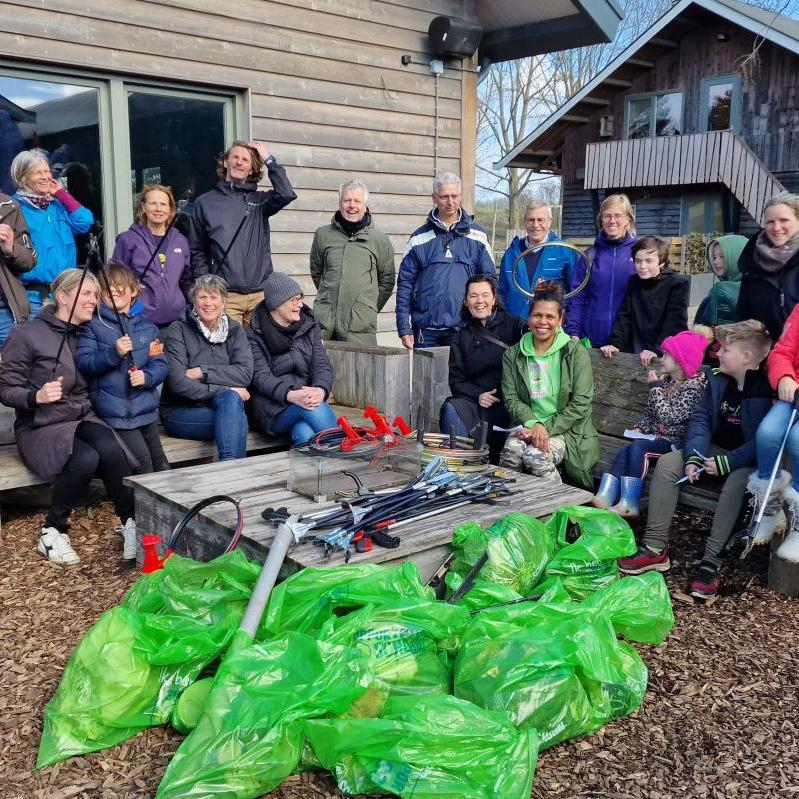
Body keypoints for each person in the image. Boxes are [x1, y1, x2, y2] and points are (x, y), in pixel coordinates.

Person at [618, 320, 773, 601]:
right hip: (713, 448)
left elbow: (764, 439)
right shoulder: (716, 380)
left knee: (738, 484)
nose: (718, 354)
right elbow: (700, 422)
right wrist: (693, 457)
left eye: (725, 350)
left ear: (747, 357)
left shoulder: (764, 390)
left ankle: (711, 562)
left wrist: (730, 462)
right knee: (668, 464)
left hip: (747, 460)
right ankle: (654, 548)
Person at [0, 269, 138, 565]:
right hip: (40, 424)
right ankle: (52, 531)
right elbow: (6, 386)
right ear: (63, 296)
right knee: (85, 458)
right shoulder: (27, 334)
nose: (94, 301)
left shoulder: (88, 333)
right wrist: (34, 397)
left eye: (95, 295)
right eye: (86, 294)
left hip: (81, 416)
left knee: (110, 447)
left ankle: (130, 521)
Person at [593, 330, 709, 516]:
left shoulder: (694, 387)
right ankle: (606, 494)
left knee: (640, 449)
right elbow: (652, 412)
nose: (661, 359)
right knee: (626, 449)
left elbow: (669, 417)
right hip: (656, 438)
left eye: (666, 356)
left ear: (681, 361)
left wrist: (654, 389)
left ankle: (629, 503)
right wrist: (642, 427)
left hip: (674, 444)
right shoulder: (669, 381)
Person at [499, 281, 599, 489]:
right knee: (511, 452)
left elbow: (581, 403)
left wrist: (545, 428)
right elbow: (511, 398)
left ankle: (562, 509)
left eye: (550, 316)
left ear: (561, 319)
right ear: (529, 317)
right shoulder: (513, 354)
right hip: (528, 425)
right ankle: (516, 509)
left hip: (566, 429)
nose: (542, 321)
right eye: (537, 315)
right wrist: (533, 424)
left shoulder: (574, 353)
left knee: (535, 456)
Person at [188, 140, 296, 326]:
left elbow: (286, 193)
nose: (239, 162)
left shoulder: (260, 201)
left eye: (245, 160)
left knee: (259, 352)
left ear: (252, 169)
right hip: (226, 296)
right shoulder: (204, 203)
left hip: (260, 295)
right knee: (230, 352)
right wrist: (207, 287)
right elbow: (197, 249)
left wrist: (268, 159)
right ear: (225, 163)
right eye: (235, 157)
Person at [76, 264, 170, 474]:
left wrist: (146, 377)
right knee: (142, 463)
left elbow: (160, 364)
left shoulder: (147, 327)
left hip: (146, 411)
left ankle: (170, 506)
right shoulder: (93, 325)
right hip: (115, 413)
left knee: (161, 462)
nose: (115, 291)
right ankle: (142, 508)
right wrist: (113, 353)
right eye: (109, 287)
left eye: (120, 286)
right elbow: (85, 362)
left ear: (134, 291)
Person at [395, 172, 495, 349]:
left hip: (465, 326)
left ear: (460, 197)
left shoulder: (478, 237)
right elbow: (405, 285)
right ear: (434, 198)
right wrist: (404, 327)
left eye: (454, 196)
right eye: (444, 197)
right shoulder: (419, 239)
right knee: (425, 378)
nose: (450, 202)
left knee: (461, 377)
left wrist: (489, 319)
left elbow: (490, 281)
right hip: (426, 329)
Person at [160, 275, 253, 461]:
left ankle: (228, 468)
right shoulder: (177, 330)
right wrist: (226, 386)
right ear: (194, 301)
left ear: (224, 301)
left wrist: (203, 371)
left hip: (222, 406)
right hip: (181, 411)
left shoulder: (235, 330)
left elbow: (244, 374)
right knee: (236, 418)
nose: (208, 303)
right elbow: (179, 382)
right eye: (203, 297)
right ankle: (233, 473)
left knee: (231, 405)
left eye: (214, 297)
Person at [439, 276, 523, 462]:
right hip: (476, 401)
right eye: (473, 296)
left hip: (508, 401)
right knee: (451, 407)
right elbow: (456, 381)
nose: (479, 301)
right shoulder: (461, 337)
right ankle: (455, 466)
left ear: (494, 299)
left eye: (485, 295)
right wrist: (479, 395)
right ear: (466, 301)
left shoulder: (515, 326)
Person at [741, 300, 799, 565]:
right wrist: (784, 377)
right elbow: (781, 351)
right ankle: (770, 509)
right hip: (793, 395)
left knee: (798, 440)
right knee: (768, 433)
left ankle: (798, 526)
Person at [247, 272, 336, 443]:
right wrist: (291, 395)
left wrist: (320, 389)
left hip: (305, 398)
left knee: (304, 433)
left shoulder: (309, 327)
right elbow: (260, 377)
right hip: (273, 409)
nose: (300, 305)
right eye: (294, 300)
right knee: (314, 409)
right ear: (276, 305)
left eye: (300, 298)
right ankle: (345, 457)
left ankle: (316, 469)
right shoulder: (253, 336)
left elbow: (322, 365)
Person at [309, 178, 395, 345]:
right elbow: (317, 272)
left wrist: (367, 307)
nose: (352, 205)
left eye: (357, 201)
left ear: (365, 205)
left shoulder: (379, 239)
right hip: (326, 323)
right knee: (323, 369)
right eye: (347, 200)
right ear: (340, 203)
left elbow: (387, 281)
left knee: (361, 370)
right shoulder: (323, 235)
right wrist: (330, 296)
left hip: (360, 326)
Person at [10, 149, 94, 318]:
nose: (45, 176)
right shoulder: (13, 208)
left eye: (47, 171)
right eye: (37, 172)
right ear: (23, 178)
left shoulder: (57, 205)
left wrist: (62, 194)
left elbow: (85, 222)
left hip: (66, 296)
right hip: (34, 299)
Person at [111, 184, 192, 332]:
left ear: (170, 209)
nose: (158, 209)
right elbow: (114, 277)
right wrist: (130, 284)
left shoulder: (180, 240)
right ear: (143, 206)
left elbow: (186, 280)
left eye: (163, 204)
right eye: (153, 203)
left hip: (177, 322)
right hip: (141, 321)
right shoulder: (128, 239)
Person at [600, 236, 690, 366]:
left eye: (649, 261)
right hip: (637, 349)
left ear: (662, 262)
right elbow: (625, 316)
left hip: (664, 353)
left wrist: (657, 349)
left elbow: (675, 322)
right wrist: (615, 344)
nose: (642, 266)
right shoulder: (634, 281)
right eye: (638, 261)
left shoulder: (677, 283)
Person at [497, 201, 583, 330]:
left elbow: (575, 294)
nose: (535, 225)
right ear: (525, 222)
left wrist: (568, 324)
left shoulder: (565, 251)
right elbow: (502, 292)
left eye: (540, 220)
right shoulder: (511, 253)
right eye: (531, 220)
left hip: (547, 328)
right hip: (514, 327)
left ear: (550, 221)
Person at [573, 193, 638, 347]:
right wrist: (573, 331)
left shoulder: (639, 254)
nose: (612, 221)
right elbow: (577, 297)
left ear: (628, 219)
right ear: (601, 220)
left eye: (618, 215)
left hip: (629, 339)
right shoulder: (589, 256)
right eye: (607, 216)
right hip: (592, 337)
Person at [737, 192, 799, 340]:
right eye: (770, 222)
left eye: (784, 220)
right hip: (768, 355)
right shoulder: (753, 262)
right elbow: (744, 317)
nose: (776, 228)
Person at [0, 192, 36, 343]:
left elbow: (29, 261)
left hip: (4, 311)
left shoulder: (9, 206)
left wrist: (11, 248)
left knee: (13, 364)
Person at [693, 234, 748, 327]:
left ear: (738, 257)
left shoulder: (721, 290)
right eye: (714, 257)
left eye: (722, 256)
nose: (715, 262)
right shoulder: (757, 288)